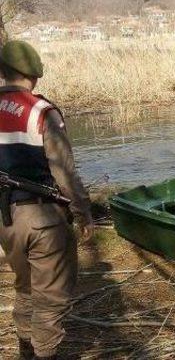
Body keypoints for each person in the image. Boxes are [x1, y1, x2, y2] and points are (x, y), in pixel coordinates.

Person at [0, 40, 94, 360]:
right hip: (43, 220)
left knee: (24, 288)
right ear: (35, 76)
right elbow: (65, 173)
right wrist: (84, 214)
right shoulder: (41, 111)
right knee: (50, 301)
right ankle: (43, 354)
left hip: (5, 218)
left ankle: (25, 351)